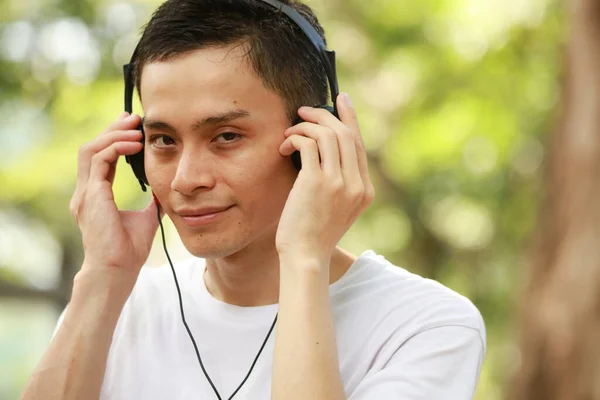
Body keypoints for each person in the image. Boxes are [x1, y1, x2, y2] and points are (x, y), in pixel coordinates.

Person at [21, 0, 485, 399]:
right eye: (163, 140)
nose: (186, 179)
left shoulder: (426, 325)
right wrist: (105, 274)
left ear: (315, 140)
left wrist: (305, 259)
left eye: (225, 135)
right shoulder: (113, 306)